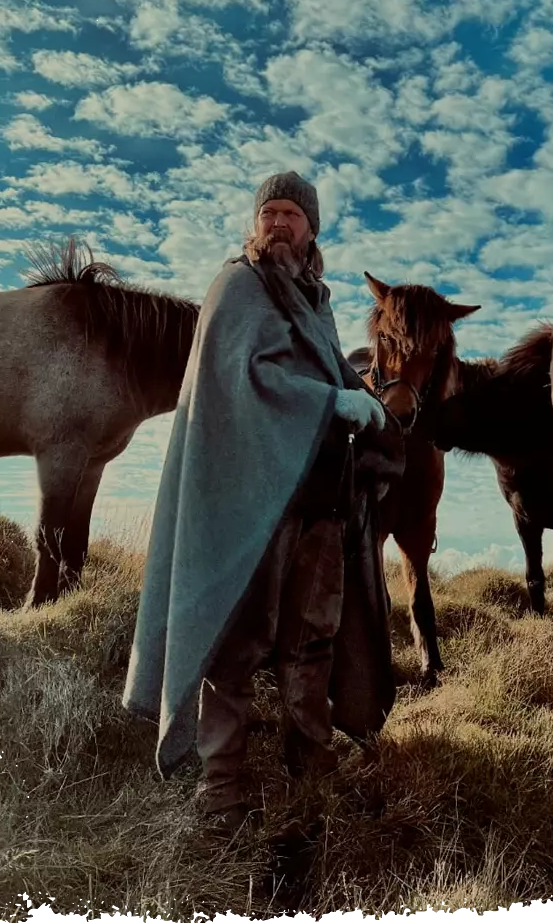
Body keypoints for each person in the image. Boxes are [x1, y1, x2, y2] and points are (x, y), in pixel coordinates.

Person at [122, 172, 405, 838]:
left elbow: (327, 372)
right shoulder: (238, 285)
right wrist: (330, 401)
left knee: (313, 642)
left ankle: (311, 770)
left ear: (311, 227)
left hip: (319, 506)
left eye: (291, 214)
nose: (279, 223)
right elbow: (238, 381)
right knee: (238, 646)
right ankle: (225, 789)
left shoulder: (315, 300)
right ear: (257, 221)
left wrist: (352, 400)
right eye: (269, 212)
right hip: (253, 510)